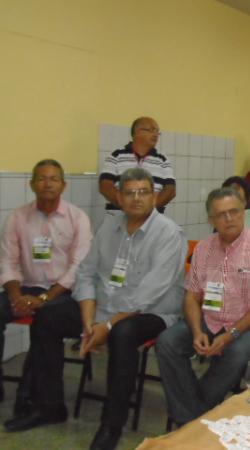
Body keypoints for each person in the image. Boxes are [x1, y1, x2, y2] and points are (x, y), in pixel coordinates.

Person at [3, 168, 186, 450]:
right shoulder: (109, 227)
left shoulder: (169, 233)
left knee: (122, 334)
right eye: (129, 193)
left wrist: (107, 326)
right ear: (119, 197)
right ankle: (49, 406)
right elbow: (86, 274)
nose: (136, 199)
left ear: (155, 196)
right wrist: (89, 322)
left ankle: (111, 424)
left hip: (154, 311)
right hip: (104, 306)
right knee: (48, 317)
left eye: (144, 192)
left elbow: (149, 293)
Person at [156, 187, 250, 426]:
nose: (229, 219)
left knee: (236, 352)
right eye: (221, 215)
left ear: (244, 212)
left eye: (234, 212)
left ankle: (189, 419)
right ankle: (195, 417)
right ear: (211, 220)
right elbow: (191, 297)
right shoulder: (203, 248)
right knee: (167, 342)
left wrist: (231, 335)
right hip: (211, 318)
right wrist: (196, 332)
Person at [0, 160, 92, 411]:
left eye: (53, 178)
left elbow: (79, 267)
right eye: (41, 178)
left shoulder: (77, 218)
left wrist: (44, 299)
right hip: (25, 288)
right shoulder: (18, 217)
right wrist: (16, 296)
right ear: (31, 184)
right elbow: (7, 260)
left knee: (46, 319)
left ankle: (28, 396)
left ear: (64, 184)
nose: (47, 183)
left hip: (64, 292)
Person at [99, 116, 176, 214]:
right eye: (151, 130)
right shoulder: (116, 156)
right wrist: (127, 205)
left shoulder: (162, 160)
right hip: (119, 216)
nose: (155, 134)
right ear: (137, 132)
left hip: (152, 218)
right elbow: (105, 186)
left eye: (157, 131)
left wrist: (148, 208)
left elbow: (170, 191)